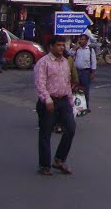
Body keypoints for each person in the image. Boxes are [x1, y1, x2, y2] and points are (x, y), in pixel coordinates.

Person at [34, 36, 76, 176]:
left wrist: (71, 101)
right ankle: (44, 165)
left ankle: (59, 159)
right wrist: (47, 100)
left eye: (63, 45)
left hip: (64, 101)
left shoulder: (65, 62)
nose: (61, 48)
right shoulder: (43, 62)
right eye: (58, 45)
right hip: (49, 101)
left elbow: (67, 82)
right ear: (51, 46)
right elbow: (40, 83)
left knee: (70, 129)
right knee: (46, 133)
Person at [70, 33, 97, 115]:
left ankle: (85, 107)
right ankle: (76, 106)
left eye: (82, 39)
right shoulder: (77, 49)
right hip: (77, 71)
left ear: (86, 41)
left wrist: (93, 72)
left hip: (86, 72)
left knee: (85, 89)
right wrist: (75, 48)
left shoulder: (90, 50)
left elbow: (93, 62)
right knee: (75, 89)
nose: (81, 41)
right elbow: (69, 54)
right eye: (80, 39)